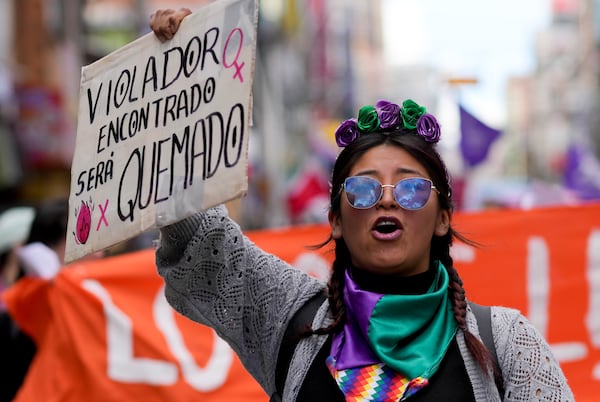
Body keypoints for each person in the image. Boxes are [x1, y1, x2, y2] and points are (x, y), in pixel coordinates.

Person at [150, 10, 574, 402]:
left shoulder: (507, 343)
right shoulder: (288, 315)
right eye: (364, 191)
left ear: (443, 218)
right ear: (335, 219)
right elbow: (202, 243)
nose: (387, 198)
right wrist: (185, 77)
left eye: (409, 190)